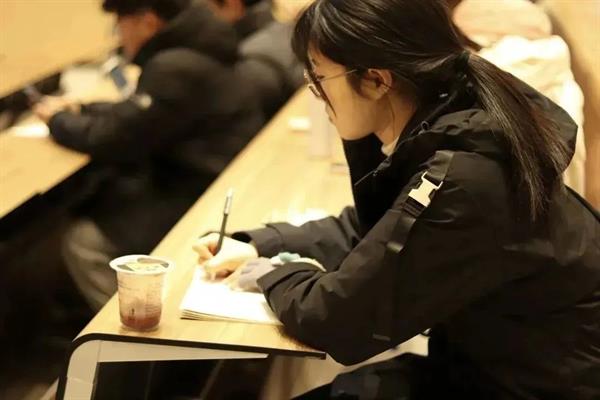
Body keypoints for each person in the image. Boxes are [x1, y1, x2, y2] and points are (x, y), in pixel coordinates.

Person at [193, 0, 600, 399]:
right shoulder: (450, 125)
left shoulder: (467, 175)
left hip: (525, 384)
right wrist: (260, 244)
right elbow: (380, 228)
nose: (314, 92)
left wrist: (271, 272)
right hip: (486, 363)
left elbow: (338, 320)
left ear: (375, 80)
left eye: (319, 76)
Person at [34, 0, 264, 311]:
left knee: (84, 241)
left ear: (147, 21)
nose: (118, 35)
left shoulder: (174, 66)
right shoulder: (199, 49)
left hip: (192, 192)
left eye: (120, 24)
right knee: (96, 194)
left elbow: (115, 139)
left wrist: (56, 121)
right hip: (212, 181)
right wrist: (84, 109)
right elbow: (139, 116)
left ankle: (136, 327)